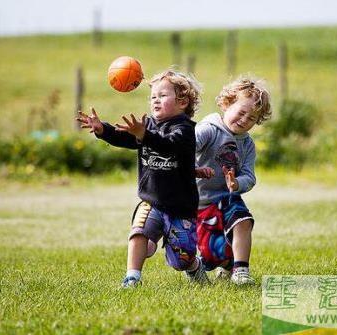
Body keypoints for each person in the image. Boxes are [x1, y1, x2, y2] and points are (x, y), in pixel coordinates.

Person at [76, 70, 208, 288]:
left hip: (180, 207)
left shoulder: (185, 130)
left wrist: (144, 135)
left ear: (182, 101)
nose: (155, 100)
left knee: (181, 261)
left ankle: (193, 266)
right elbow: (124, 137)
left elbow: (168, 145)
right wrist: (103, 130)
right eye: (153, 96)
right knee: (138, 233)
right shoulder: (146, 126)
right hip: (152, 201)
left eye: (163, 95)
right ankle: (132, 278)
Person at [194, 77, 272, 285]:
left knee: (243, 220)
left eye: (252, 118)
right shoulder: (209, 129)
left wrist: (237, 184)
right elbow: (187, 147)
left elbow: (249, 176)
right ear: (227, 103)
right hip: (198, 202)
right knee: (212, 256)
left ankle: (241, 270)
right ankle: (223, 264)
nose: (245, 120)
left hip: (226, 198)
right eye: (241, 112)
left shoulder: (247, 145)